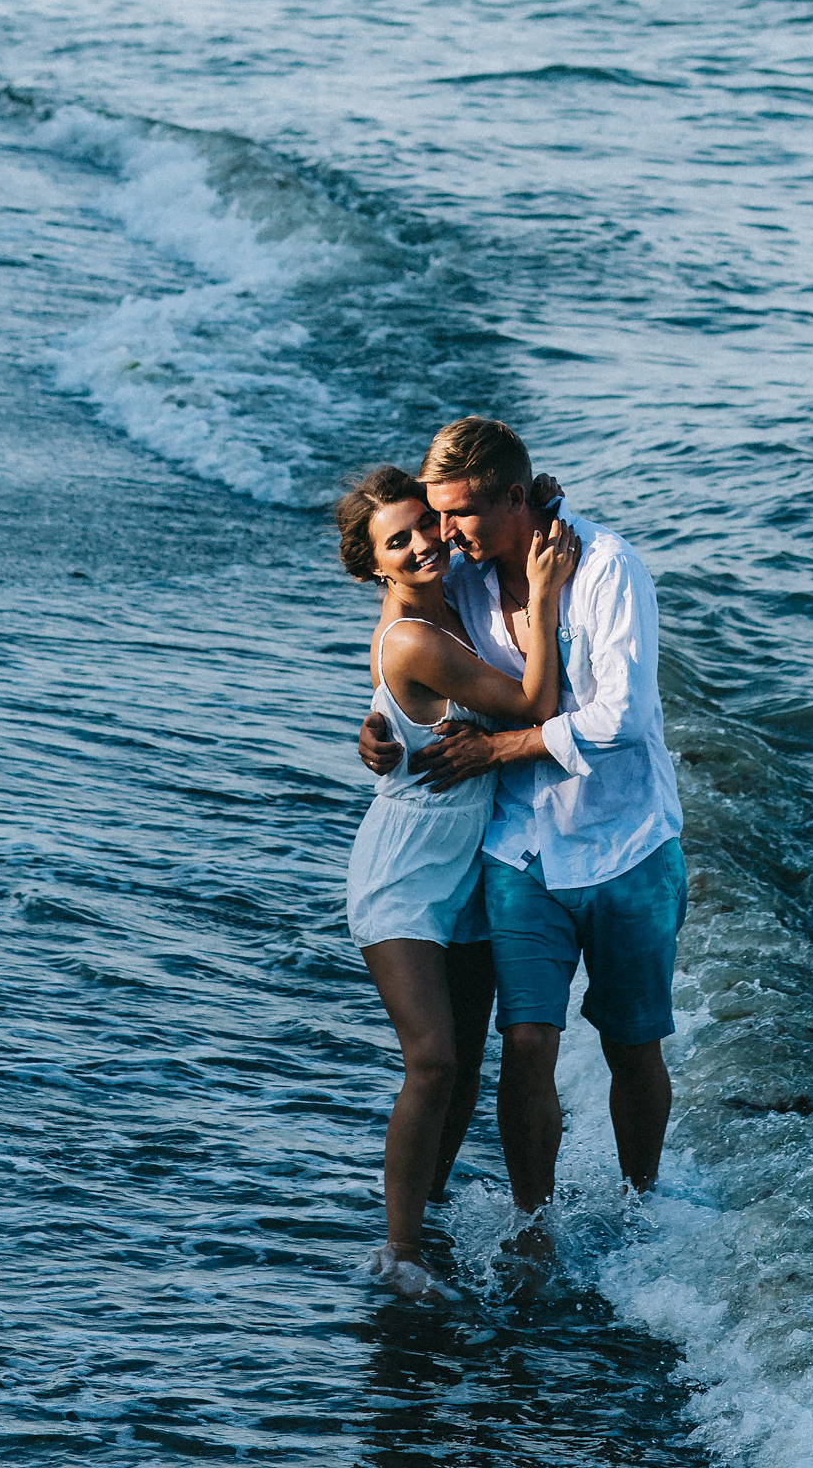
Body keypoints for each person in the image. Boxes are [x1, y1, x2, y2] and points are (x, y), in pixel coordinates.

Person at [359, 417, 685, 1214]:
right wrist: (378, 723)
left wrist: (500, 749)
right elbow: (406, 628)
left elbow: (621, 721)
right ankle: (532, 1225)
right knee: (526, 1043)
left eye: (458, 513)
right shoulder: (463, 573)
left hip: (628, 844)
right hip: (520, 849)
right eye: (436, 513)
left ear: (515, 498)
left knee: (632, 1046)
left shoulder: (607, 568)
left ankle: (641, 1205)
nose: (442, 533)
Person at [334, 463, 578, 1294]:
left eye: (423, 526)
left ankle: (426, 1212)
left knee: (465, 1064)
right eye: (395, 541)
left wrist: (540, 499)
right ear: (374, 567)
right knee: (433, 1061)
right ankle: (397, 1251)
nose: (421, 544)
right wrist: (543, 601)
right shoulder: (414, 636)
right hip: (403, 872)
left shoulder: (454, 590)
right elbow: (536, 706)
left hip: (467, 867)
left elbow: (492, 522)